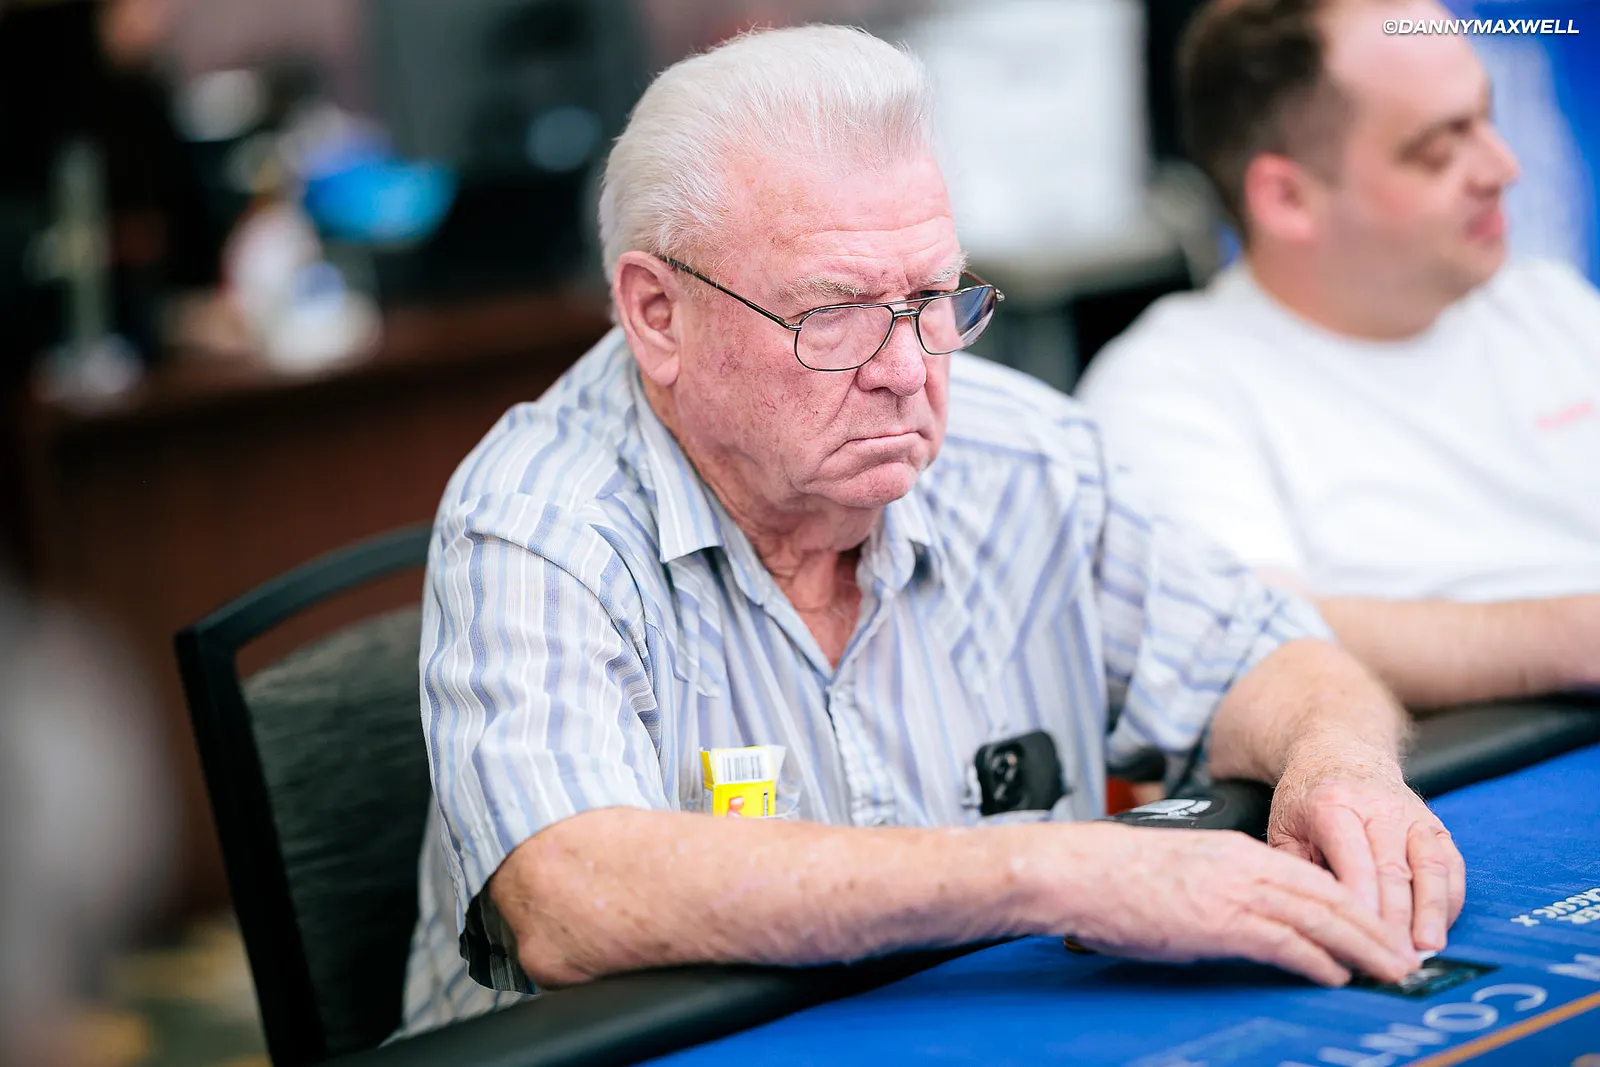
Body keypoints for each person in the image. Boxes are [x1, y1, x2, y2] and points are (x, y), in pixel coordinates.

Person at [398, 24, 1456, 1037]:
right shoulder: (535, 522)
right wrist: (1055, 869)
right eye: (835, 314)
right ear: (657, 314)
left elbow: (1269, 654)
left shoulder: (1027, 453)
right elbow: (568, 891)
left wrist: (1340, 768)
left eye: (933, 296)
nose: (908, 368)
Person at [1076, 0, 1600, 711]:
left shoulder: (1549, 306)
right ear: (1287, 197)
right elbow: (1243, 643)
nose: (1503, 167)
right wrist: (1575, 638)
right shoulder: (1167, 390)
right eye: (1438, 149)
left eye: (1487, 119)